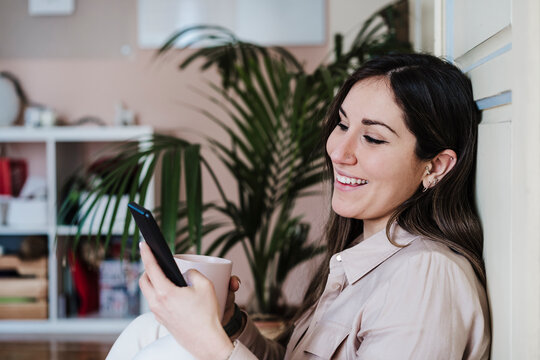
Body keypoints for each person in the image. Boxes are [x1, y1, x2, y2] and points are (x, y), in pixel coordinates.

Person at [106, 53, 491, 359]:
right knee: (149, 328)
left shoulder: (425, 277)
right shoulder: (358, 256)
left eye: (372, 138)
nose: (338, 151)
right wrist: (229, 324)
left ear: (435, 167)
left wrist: (211, 347)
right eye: (342, 125)